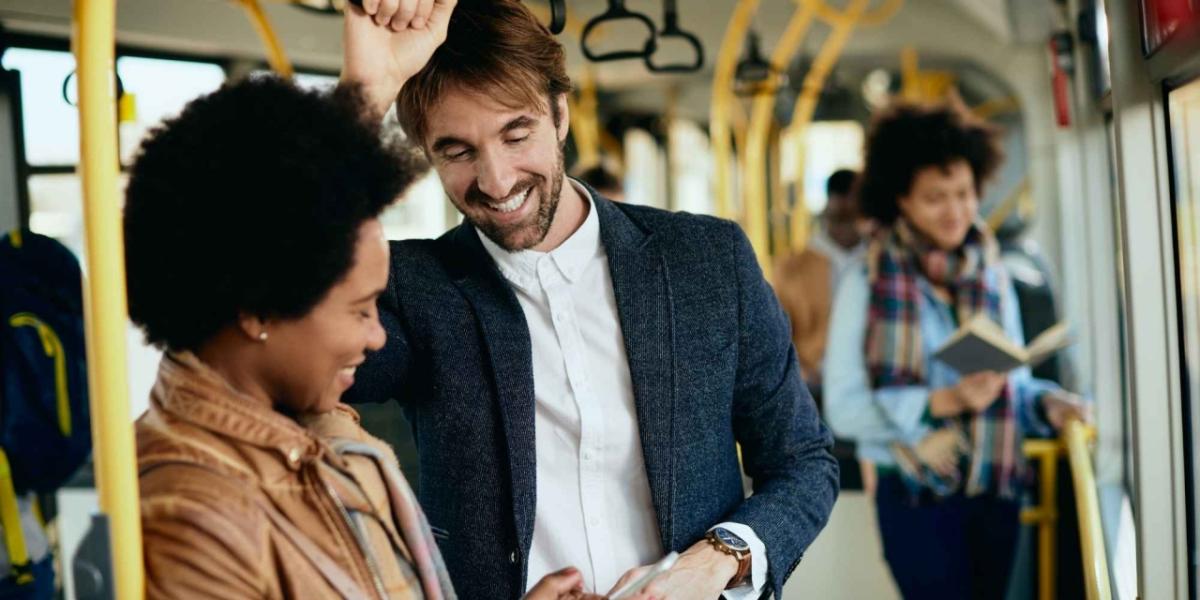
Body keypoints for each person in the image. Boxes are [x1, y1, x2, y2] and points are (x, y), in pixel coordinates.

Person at [340, 1, 839, 599]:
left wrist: (715, 562)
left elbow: (804, 461)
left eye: (515, 134)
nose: (497, 182)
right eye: (458, 152)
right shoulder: (410, 288)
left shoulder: (707, 259)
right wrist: (363, 93)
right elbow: (265, 315)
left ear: (559, 114)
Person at [124, 75, 626, 600]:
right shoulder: (186, 515)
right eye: (361, 310)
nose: (377, 336)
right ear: (259, 309)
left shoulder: (338, 445)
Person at [822, 100, 1088, 599]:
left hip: (994, 485)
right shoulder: (866, 281)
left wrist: (1046, 401)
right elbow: (842, 409)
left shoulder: (991, 274)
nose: (956, 211)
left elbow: (1009, 384)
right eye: (935, 198)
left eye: (964, 194)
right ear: (901, 200)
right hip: (913, 493)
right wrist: (939, 405)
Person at [772, 169, 867, 386]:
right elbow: (777, 337)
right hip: (813, 381)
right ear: (827, 211)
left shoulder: (877, 260)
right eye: (841, 217)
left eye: (853, 217)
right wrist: (803, 373)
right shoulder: (792, 268)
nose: (848, 226)